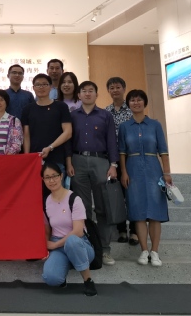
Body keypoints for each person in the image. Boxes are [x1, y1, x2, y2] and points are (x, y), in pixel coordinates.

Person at [119, 89, 172, 268]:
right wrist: (124, 172)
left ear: (145, 102)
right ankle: (144, 250)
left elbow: (163, 151)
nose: (136, 103)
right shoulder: (124, 127)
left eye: (139, 100)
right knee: (138, 211)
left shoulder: (155, 125)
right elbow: (122, 152)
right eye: (132, 100)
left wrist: (167, 173)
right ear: (128, 104)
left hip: (153, 169)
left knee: (155, 211)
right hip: (133, 170)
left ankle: (155, 251)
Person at [70, 81, 119, 266]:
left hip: (101, 162)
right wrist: (68, 162)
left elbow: (112, 141)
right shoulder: (73, 116)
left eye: (91, 91)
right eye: (84, 91)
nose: (87, 93)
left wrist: (113, 165)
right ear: (79, 95)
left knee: (103, 207)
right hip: (77, 161)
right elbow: (68, 140)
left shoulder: (105, 115)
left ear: (97, 94)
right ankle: (88, 247)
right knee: (82, 208)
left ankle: (105, 249)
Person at [41, 162, 97, 297]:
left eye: (54, 176)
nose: (51, 180)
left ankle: (88, 280)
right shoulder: (45, 202)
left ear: (61, 176)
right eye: (47, 177)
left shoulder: (74, 199)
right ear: (43, 180)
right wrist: (46, 246)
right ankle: (62, 270)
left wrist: (54, 245)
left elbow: (78, 231)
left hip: (80, 245)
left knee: (72, 241)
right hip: (58, 245)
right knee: (51, 278)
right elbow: (47, 228)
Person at [22, 74, 72, 193]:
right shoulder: (28, 109)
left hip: (57, 159)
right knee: (35, 195)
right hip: (35, 161)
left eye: (44, 84)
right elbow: (26, 136)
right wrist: (27, 157)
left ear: (51, 87)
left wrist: (50, 147)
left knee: (57, 196)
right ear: (33, 88)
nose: (41, 87)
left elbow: (68, 132)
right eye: (38, 85)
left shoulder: (61, 106)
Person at [105, 76, 137, 245]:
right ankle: (121, 230)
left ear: (124, 89)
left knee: (132, 194)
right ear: (108, 91)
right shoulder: (105, 111)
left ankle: (135, 231)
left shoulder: (131, 110)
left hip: (131, 157)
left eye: (118, 87)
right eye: (112, 88)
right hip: (112, 158)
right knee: (117, 196)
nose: (115, 90)